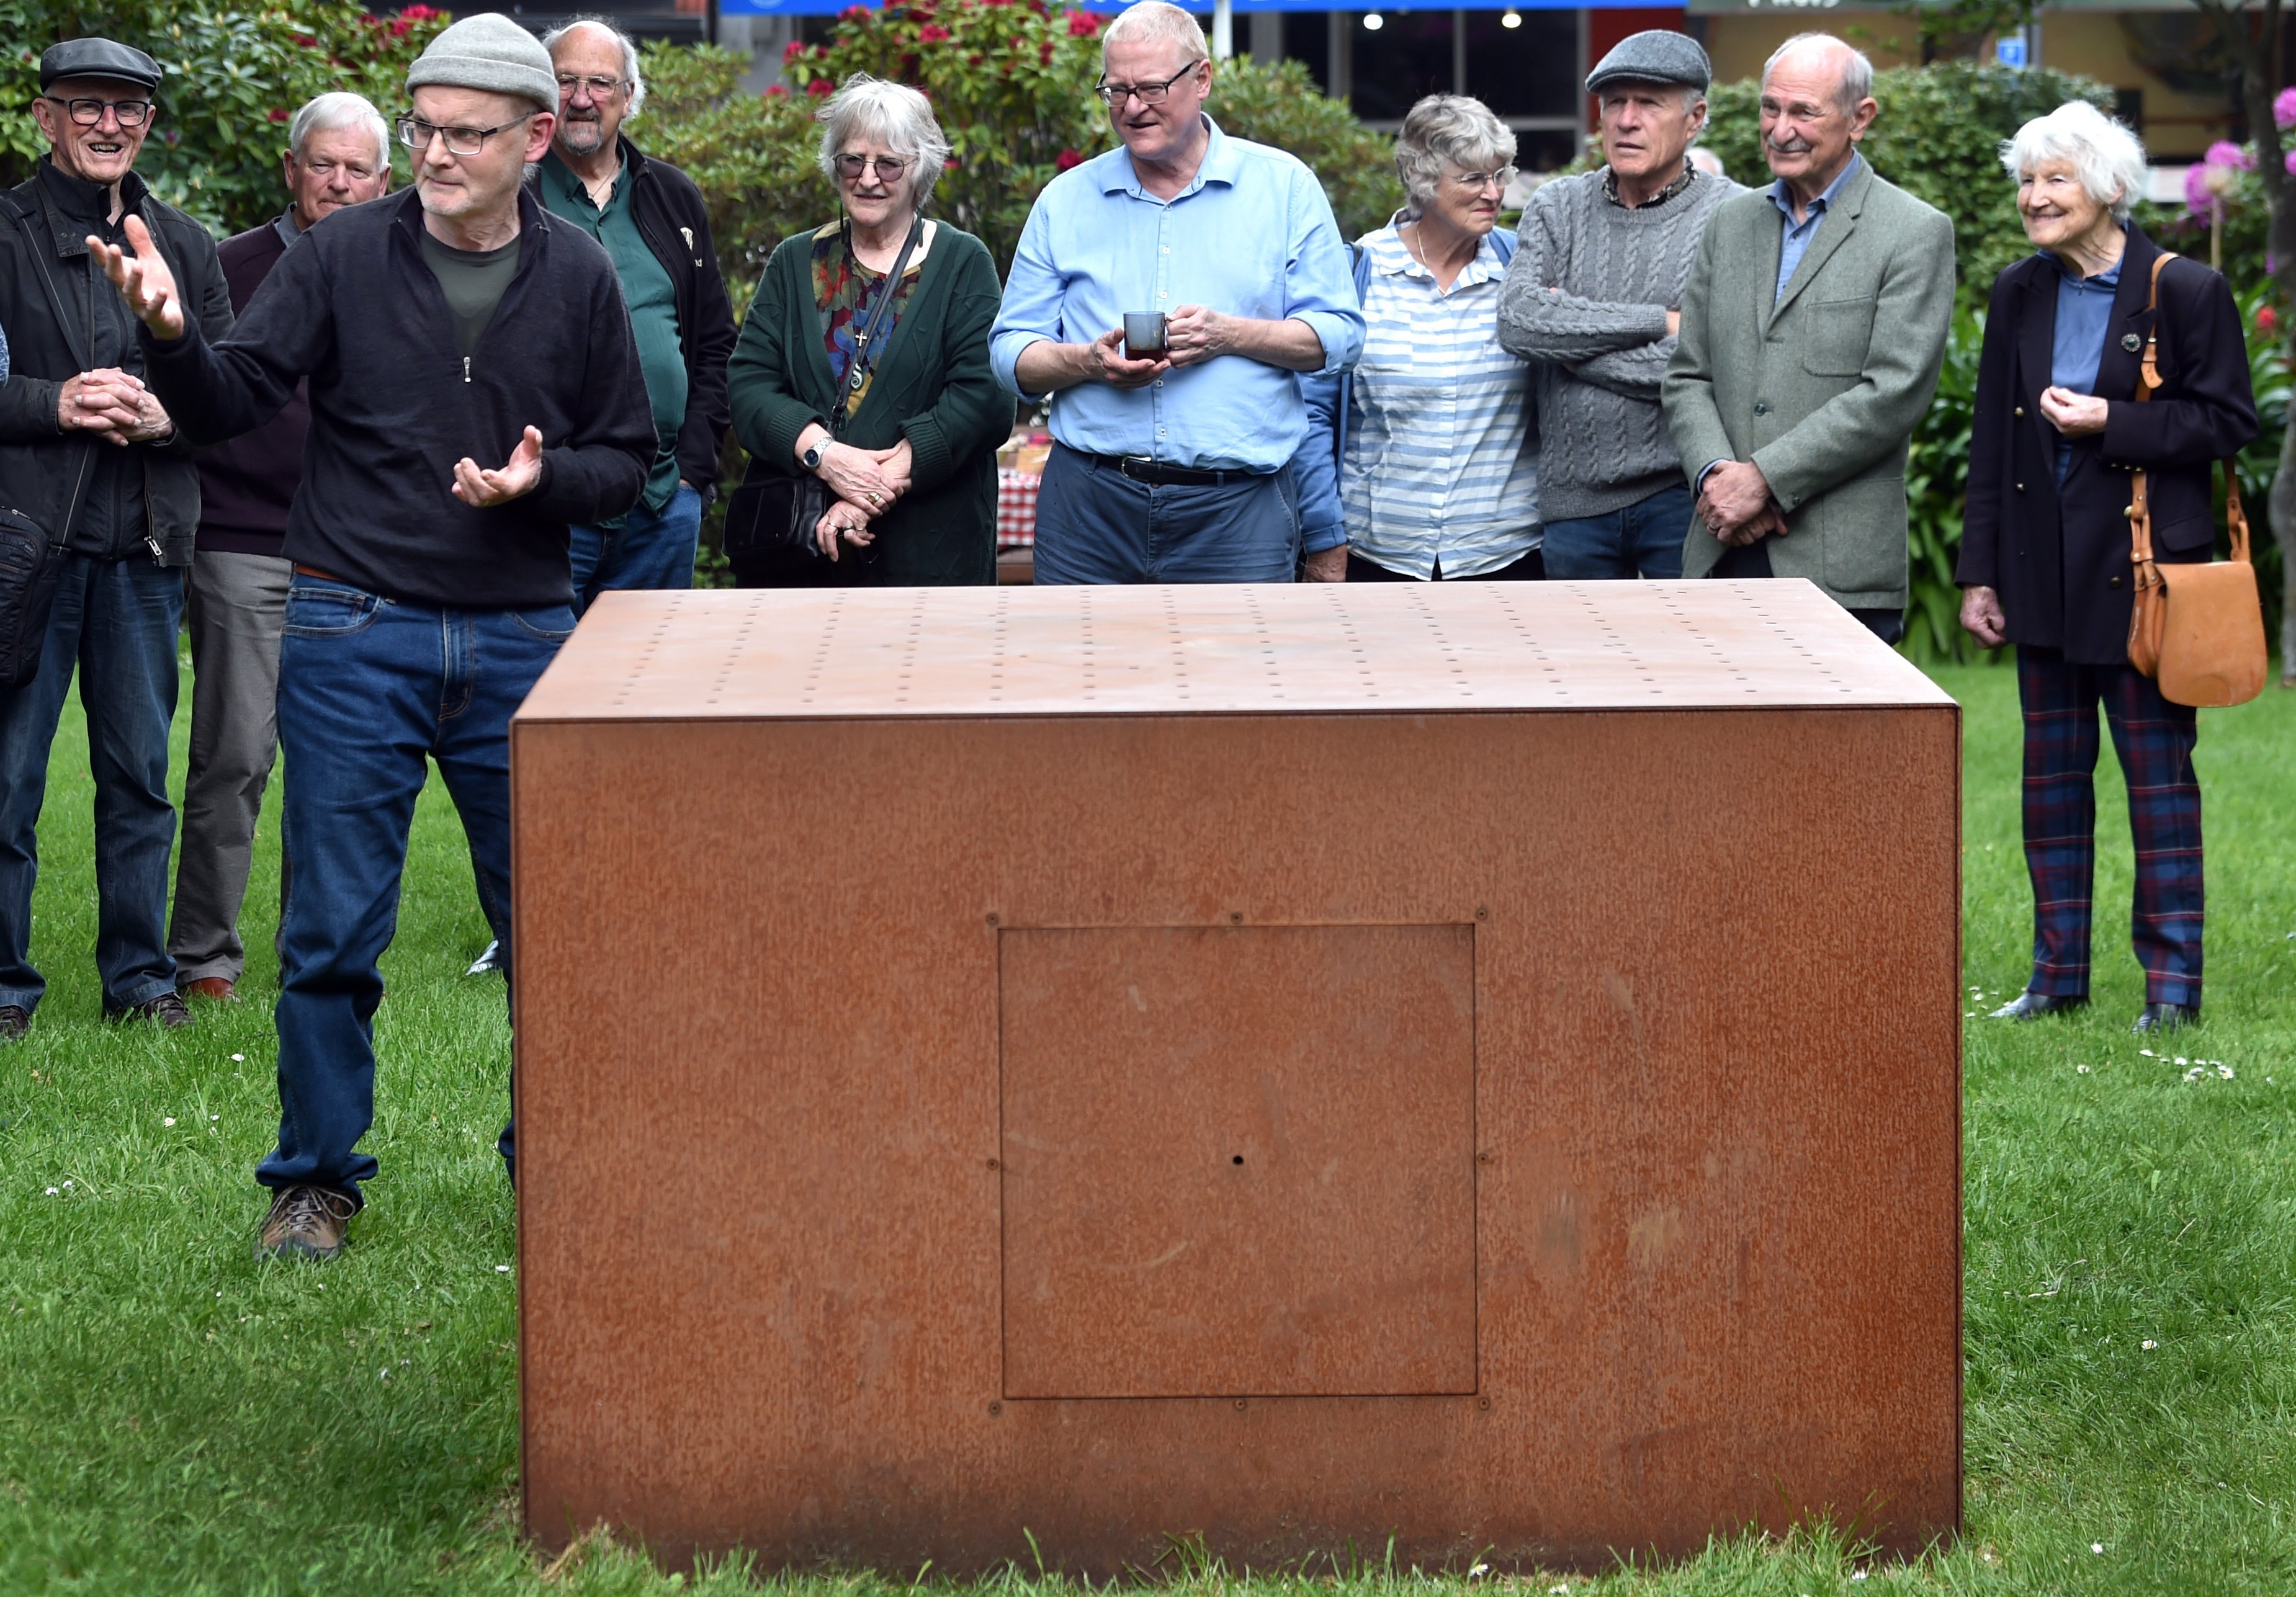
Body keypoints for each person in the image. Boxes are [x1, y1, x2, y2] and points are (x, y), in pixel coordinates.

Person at [91, 12, 654, 1259]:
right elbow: (234, 400)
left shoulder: (577, 277)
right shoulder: (342, 255)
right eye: (423, 130)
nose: (436, 155)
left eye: (465, 134)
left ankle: (552, 1165)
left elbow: (626, 459)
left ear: (537, 138)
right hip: (352, 627)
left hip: (520, 638)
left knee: (555, 935)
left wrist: (539, 485)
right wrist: (173, 338)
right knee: (333, 933)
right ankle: (313, 1186)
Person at [1959, 102, 2256, 1034]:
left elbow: (2228, 422)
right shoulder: (2019, 291)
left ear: (2111, 190)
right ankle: (2057, 981)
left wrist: (2109, 422)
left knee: (2158, 784)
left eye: (2056, 179)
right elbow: (1990, 441)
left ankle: (2172, 991)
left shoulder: (2186, 288)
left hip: (2143, 580)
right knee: (2050, 786)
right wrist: (1980, 573)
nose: (2034, 197)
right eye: (2027, 180)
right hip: (2038, 572)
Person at [0, 38, 233, 1040]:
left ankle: (139, 978)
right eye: (86, 105)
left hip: (142, 548)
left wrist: (167, 420)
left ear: (147, 123)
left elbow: (231, 397)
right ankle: (5, 985)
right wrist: (55, 400)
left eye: (126, 108)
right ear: (46, 116)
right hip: (25, 545)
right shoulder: (3, 234)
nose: (108, 124)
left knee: (139, 772)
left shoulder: (184, 241)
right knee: (7, 775)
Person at [990, 1, 1363, 584]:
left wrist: (1229, 335)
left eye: (1152, 88)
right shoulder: (1064, 202)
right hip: (1089, 509)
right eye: (1116, 91)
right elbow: (1011, 354)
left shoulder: (1285, 188)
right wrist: (1085, 362)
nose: (1132, 108)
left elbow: (1340, 338)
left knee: (1236, 676)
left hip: (1237, 511)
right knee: (1076, 674)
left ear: (1203, 79)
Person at [171, 92, 393, 1009]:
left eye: (359, 169)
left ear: (387, 181)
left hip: (359, 553)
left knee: (339, 765)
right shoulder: (231, 268)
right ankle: (205, 956)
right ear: (292, 169)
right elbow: (199, 392)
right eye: (323, 164)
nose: (340, 183)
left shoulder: (402, 266)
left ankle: (318, 948)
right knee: (234, 756)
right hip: (245, 544)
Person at [1662, 33, 1955, 641]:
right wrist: (1718, 477)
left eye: (1803, 112)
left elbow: (1892, 393)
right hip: (1722, 555)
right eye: (1771, 108)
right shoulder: (1729, 222)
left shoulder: (1913, 231)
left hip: (1838, 568)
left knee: (1836, 742)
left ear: (1860, 118)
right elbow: (1690, 374)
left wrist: (1762, 481)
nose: (1779, 128)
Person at [725, 74, 1008, 585]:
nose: (868, 178)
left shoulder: (964, 261)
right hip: (804, 550)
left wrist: (875, 485)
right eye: (852, 161)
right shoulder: (794, 261)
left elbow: (985, 398)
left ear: (920, 169)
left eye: (889, 164)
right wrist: (824, 456)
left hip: (932, 554)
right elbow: (748, 388)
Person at [1499, 31, 1739, 581]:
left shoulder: (1735, 214)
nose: (1626, 120)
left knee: (1684, 665)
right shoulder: (1557, 205)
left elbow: (1720, 359)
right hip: (1573, 507)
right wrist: (1660, 321)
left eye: (1649, 103)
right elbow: (1518, 322)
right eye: (1614, 103)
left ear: (1695, 117)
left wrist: (1570, 349)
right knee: (1578, 666)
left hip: (1685, 497)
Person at [1294, 95, 1540, 583]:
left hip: (1509, 557)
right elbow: (1312, 417)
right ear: (1423, 180)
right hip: (1377, 557)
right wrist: (1324, 537)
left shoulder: (1524, 268)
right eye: (1473, 178)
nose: (1493, 193)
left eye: (1499, 175)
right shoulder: (1357, 273)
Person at [538, 16, 736, 610]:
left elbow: (714, 343)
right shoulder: (515, 196)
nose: (581, 98)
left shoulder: (671, 195)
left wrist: (693, 477)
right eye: (566, 81)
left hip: (659, 505)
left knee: (641, 692)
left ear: (628, 98)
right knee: (541, 692)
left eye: (600, 83)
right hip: (551, 509)